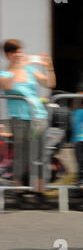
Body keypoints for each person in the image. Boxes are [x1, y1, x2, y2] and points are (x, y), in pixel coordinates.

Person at [0, 39, 56, 205]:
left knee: (40, 155)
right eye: (16, 52)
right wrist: (18, 65)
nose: (21, 54)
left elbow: (50, 83)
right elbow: (8, 86)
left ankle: (40, 192)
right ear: (9, 55)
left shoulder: (30, 69)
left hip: (37, 116)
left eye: (21, 51)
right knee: (21, 155)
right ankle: (19, 191)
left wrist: (48, 66)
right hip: (19, 118)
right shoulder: (4, 73)